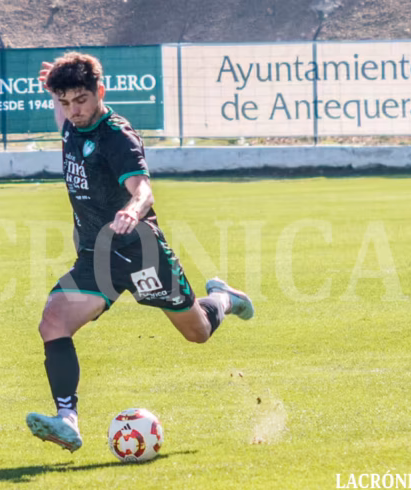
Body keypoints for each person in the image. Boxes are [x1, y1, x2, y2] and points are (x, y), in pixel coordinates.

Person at [25, 52, 255, 452]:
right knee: (53, 322)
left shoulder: (118, 137)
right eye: (64, 102)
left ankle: (224, 298)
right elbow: (62, 112)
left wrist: (131, 211)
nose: (73, 111)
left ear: (100, 92)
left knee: (197, 332)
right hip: (98, 255)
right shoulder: (69, 120)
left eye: (80, 100)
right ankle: (67, 420)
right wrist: (55, 88)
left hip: (140, 249)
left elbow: (143, 189)